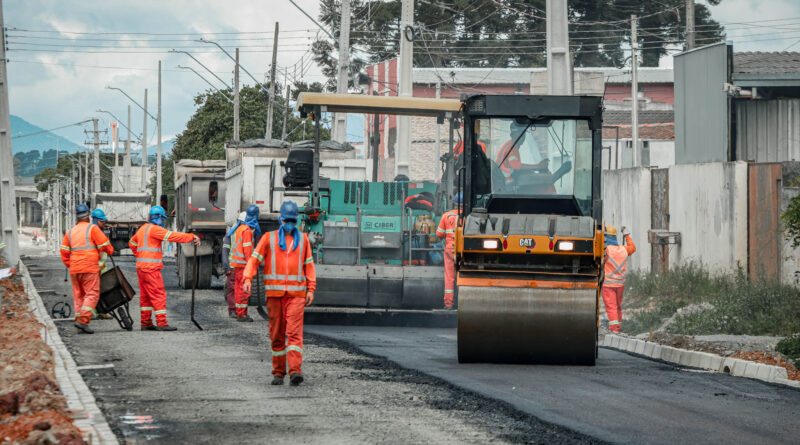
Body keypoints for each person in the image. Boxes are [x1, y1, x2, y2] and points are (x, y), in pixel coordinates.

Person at [242, 201, 316, 387]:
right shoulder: (269, 239)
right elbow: (254, 259)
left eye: (292, 220)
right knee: (276, 334)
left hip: (296, 295)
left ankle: (295, 371)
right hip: (275, 295)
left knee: (293, 333)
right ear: (281, 220)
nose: (290, 223)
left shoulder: (304, 240)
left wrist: (311, 288)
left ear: (295, 220)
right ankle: (278, 372)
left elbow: (309, 266)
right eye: (287, 219)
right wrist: (247, 278)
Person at [129, 206, 200, 331]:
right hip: (151, 268)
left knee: (145, 296)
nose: (162, 222)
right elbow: (173, 236)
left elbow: (132, 243)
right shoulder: (155, 229)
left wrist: (140, 255)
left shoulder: (142, 229)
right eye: (162, 219)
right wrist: (191, 237)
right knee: (158, 295)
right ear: (159, 218)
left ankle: (146, 323)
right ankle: (162, 323)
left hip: (141, 268)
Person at [60, 204, 114, 334]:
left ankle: (79, 320)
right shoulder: (92, 229)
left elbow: (64, 252)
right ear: (88, 216)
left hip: (74, 268)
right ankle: (83, 321)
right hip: (89, 268)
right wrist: (110, 250)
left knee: (79, 296)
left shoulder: (70, 232)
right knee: (92, 294)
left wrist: (70, 264)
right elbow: (107, 246)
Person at [227, 204, 261, 322]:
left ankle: (238, 311)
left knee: (237, 288)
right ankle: (242, 314)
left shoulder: (239, 228)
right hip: (243, 264)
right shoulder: (246, 230)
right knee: (244, 289)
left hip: (237, 264)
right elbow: (247, 250)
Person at [602, 225, 636, 333]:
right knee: (618, 306)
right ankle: (619, 327)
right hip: (620, 284)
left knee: (611, 306)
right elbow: (632, 248)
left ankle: (614, 329)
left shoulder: (605, 250)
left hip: (608, 285)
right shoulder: (623, 249)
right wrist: (627, 236)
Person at [436, 192, 461, 309]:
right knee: (463, 275)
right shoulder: (469, 216)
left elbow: (439, 234)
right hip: (463, 250)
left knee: (449, 276)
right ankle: (464, 302)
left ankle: (448, 304)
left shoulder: (446, 215)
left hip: (450, 249)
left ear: (455, 203)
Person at [222, 212, 246, 319]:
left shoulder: (231, 234)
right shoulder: (242, 233)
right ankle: (235, 310)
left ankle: (236, 310)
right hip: (236, 267)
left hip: (235, 266)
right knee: (235, 289)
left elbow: (225, 252)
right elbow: (225, 252)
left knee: (234, 289)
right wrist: (226, 267)